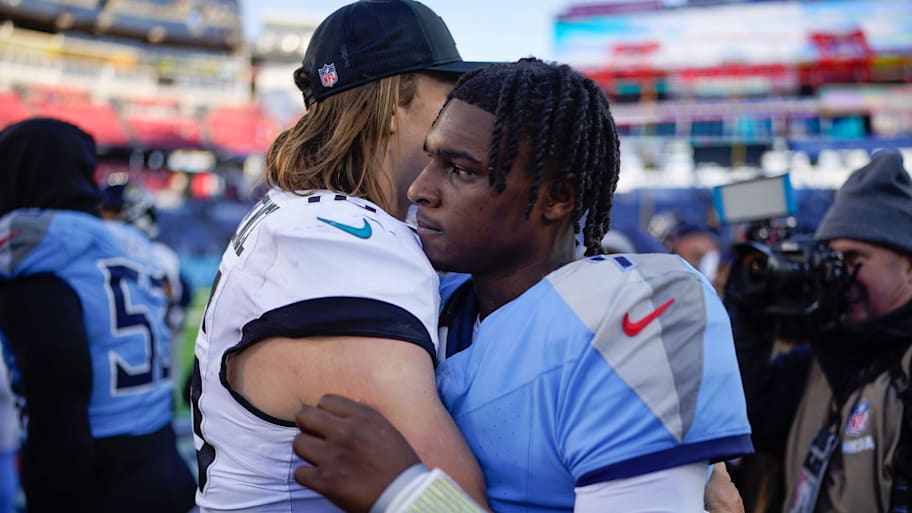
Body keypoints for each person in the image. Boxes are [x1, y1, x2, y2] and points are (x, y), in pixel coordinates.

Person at [292, 58, 754, 512]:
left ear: (557, 197)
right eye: (431, 159)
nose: (420, 189)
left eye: (461, 170)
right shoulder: (428, 299)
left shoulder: (637, 310)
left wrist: (406, 496)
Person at [190, 1, 491, 511]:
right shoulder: (343, 242)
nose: (459, 109)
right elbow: (453, 500)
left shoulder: (301, 214)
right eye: (447, 91)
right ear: (395, 104)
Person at [0, 117, 195, 512]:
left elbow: (60, 397)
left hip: (96, 473)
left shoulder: (41, 252)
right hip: (162, 458)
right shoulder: (128, 242)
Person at [731, 149, 912, 513]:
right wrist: (752, 315)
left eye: (854, 259)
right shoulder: (822, 363)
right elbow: (747, 422)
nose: (838, 276)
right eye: (831, 259)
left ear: (908, 269)